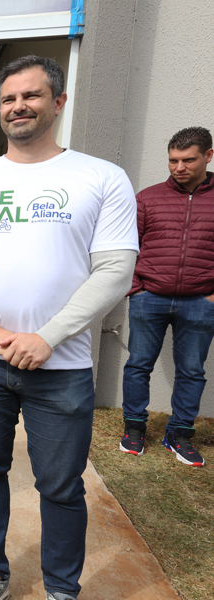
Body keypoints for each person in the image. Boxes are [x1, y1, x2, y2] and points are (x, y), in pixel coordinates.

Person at [0, 55, 138, 600]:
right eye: (8, 98)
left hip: (61, 366)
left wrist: (47, 337)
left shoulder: (100, 177)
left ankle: (61, 589)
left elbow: (116, 269)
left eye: (31, 96)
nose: (18, 106)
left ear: (59, 102)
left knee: (62, 487)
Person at [120, 126, 214, 467]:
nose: (179, 167)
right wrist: (136, 288)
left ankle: (180, 434)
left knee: (191, 370)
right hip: (150, 297)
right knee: (138, 364)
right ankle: (133, 429)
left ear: (208, 156)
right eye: (173, 160)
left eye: (188, 160)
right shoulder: (147, 197)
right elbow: (129, 246)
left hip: (201, 301)